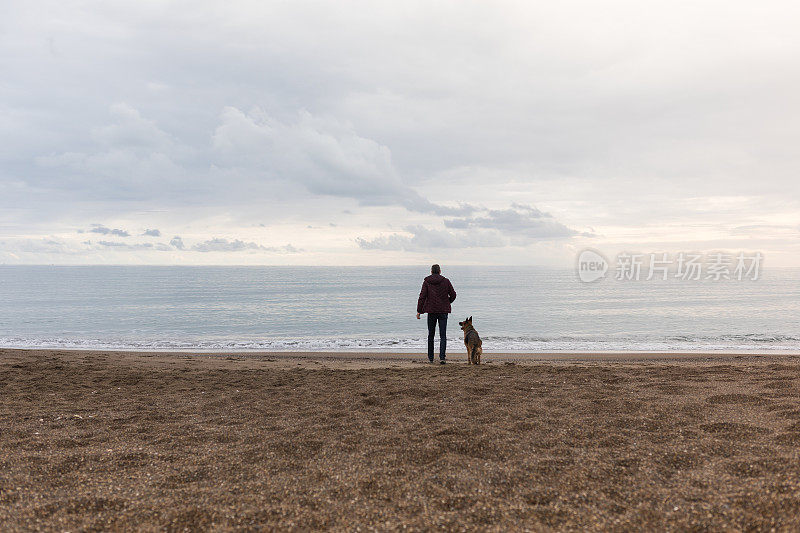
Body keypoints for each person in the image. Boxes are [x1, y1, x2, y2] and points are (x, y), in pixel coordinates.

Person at [416, 264, 457, 364]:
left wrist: (419, 311)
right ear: (440, 271)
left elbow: (422, 296)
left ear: (431, 271)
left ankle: (431, 358)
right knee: (443, 335)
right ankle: (442, 358)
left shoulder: (427, 282)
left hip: (431, 311)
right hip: (443, 311)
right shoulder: (446, 281)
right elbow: (453, 294)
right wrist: (448, 302)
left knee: (431, 335)